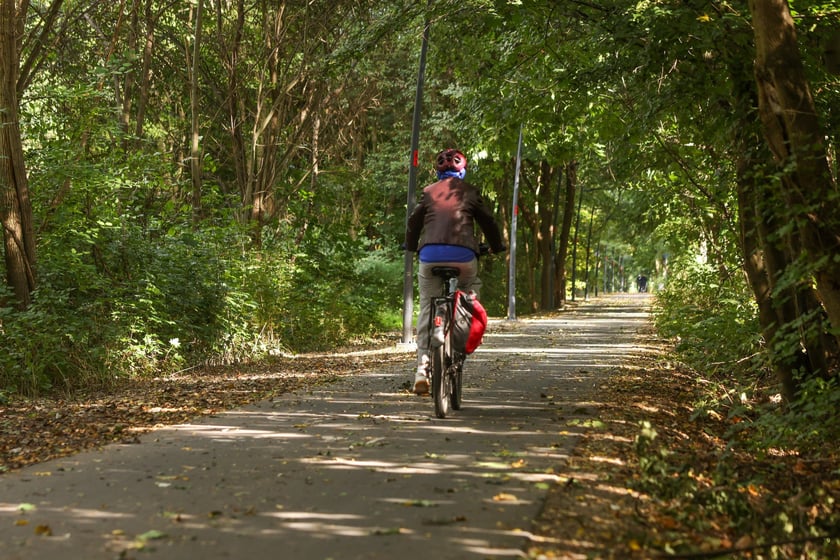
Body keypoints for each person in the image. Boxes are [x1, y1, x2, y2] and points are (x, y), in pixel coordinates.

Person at [404, 149, 506, 395]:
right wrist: (496, 246)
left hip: (429, 256)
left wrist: (410, 245)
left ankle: (422, 367)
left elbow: (414, 221)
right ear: (463, 171)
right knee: (469, 292)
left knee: (428, 305)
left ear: (438, 172)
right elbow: (488, 222)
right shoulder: (469, 192)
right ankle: (459, 343)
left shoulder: (428, 192)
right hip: (464, 256)